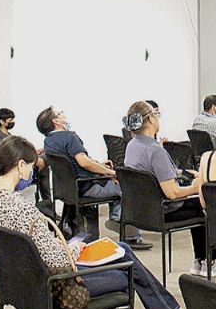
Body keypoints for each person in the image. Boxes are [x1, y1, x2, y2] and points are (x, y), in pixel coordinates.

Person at [0, 136, 189, 309]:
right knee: (126, 275)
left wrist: (47, 246)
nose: (32, 174)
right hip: (57, 284)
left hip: (23, 286)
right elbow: (58, 262)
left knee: (120, 249)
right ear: (21, 165)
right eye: (33, 168)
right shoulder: (22, 209)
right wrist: (73, 249)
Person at [36, 107, 149, 249]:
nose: (64, 114)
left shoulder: (49, 141)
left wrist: (99, 165)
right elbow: (83, 162)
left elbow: (73, 164)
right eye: (60, 113)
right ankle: (127, 230)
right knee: (128, 187)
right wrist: (110, 172)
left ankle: (116, 216)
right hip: (88, 186)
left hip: (69, 190)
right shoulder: (69, 136)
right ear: (56, 121)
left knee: (116, 185)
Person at [122, 101, 214, 275]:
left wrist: (185, 172)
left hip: (139, 211)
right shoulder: (155, 150)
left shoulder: (132, 146)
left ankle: (199, 261)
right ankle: (206, 260)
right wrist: (196, 187)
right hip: (163, 211)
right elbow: (173, 193)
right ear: (150, 118)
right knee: (203, 203)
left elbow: (153, 173)